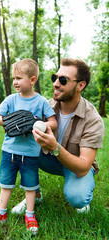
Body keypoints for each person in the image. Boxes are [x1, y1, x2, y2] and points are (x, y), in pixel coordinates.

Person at [11, 58, 105, 215]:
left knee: (78, 197)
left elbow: (83, 168)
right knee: (19, 148)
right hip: (47, 158)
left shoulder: (93, 119)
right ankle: (35, 194)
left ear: (80, 85)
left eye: (63, 80)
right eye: (55, 77)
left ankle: (82, 195)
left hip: (75, 166)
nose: (56, 83)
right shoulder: (45, 106)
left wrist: (54, 147)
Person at [0, 58, 57, 234]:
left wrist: (38, 123)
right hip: (9, 151)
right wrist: (10, 121)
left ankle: (30, 215)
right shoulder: (11, 99)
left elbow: (53, 122)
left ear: (33, 79)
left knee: (30, 185)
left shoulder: (41, 102)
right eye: (13, 78)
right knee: (6, 183)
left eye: (19, 78)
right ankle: (1, 213)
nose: (15, 82)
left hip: (30, 152)